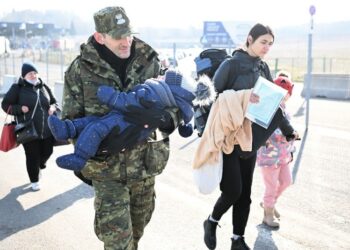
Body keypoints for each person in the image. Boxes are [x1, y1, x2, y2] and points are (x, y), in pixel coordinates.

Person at [60, 6, 182, 249]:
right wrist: (101, 145)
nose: (126, 41)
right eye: (118, 36)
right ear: (100, 37)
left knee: (137, 232)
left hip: (145, 167)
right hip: (107, 172)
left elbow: (175, 104)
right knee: (117, 242)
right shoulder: (80, 69)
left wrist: (164, 120)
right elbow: (71, 120)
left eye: (129, 34)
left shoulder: (150, 60)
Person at [202, 23, 299, 250]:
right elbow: (212, 98)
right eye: (263, 42)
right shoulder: (231, 65)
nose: (267, 47)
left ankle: (238, 239)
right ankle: (212, 221)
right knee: (233, 190)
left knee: (245, 195)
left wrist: (287, 129)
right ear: (250, 39)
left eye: (270, 44)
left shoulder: (263, 68)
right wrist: (243, 97)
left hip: (251, 139)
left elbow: (272, 102)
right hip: (229, 138)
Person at [48, 69, 194, 171]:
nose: (160, 76)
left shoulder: (153, 93)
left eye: (164, 77)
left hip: (124, 123)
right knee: (93, 121)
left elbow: (130, 102)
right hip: (124, 120)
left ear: (169, 85)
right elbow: (183, 119)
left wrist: (112, 97)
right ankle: (66, 129)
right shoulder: (166, 98)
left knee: (96, 128)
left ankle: (79, 157)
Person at [1, 62, 57, 191]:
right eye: (29, 73)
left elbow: (54, 102)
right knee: (32, 156)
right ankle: (34, 181)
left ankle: (40, 166)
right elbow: (5, 105)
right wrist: (20, 108)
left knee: (48, 151)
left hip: (47, 129)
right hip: (28, 130)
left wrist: (53, 107)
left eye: (34, 73)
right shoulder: (17, 88)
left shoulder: (43, 86)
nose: (33, 75)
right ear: (24, 76)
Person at [257, 75, 298, 228]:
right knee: (271, 185)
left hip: (283, 155)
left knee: (287, 181)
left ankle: (269, 203)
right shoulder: (268, 108)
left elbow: (289, 131)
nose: (286, 95)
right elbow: (267, 132)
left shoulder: (285, 109)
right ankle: (267, 215)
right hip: (269, 156)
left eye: (288, 92)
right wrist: (286, 136)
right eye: (285, 92)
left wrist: (291, 146)